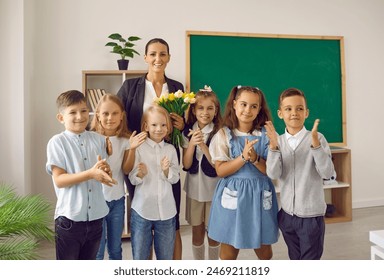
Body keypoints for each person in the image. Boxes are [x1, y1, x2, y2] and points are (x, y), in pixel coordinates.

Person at [117, 38, 184, 259]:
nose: (158, 58)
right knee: (143, 212)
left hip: (167, 156)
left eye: (163, 54)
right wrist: (133, 141)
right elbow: (119, 120)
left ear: (169, 58)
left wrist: (182, 125)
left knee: (170, 219)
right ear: (145, 57)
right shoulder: (130, 86)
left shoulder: (177, 88)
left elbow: (183, 122)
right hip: (140, 157)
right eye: (153, 54)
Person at [207, 86, 279, 260]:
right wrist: (243, 157)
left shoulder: (268, 135)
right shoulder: (223, 135)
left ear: (259, 109)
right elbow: (221, 171)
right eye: (243, 104)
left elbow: (272, 171)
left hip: (259, 194)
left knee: (264, 251)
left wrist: (254, 158)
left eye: (254, 106)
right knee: (229, 251)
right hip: (233, 195)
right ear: (234, 104)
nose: (248, 110)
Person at [265, 87, 335, 260]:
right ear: (280, 113)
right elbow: (273, 173)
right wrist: (273, 149)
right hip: (287, 216)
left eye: (299, 108)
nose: (294, 113)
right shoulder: (278, 141)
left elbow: (327, 173)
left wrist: (316, 146)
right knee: (295, 259)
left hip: (311, 217)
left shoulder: (318, 138)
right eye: (288, 109)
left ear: (306, 113)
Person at [46, 90, 115, 260]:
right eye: (73, 112)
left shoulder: (99, 139)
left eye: (84, 110)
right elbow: (60, 180)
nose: (80, 116)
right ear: (61, 118)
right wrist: (91, 174)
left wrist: (105, 172)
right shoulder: (57, 142)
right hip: (70, 220)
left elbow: (101, 170)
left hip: (96, 219)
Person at [90, 94, 147, 260]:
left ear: (122, 115)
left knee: (115, 249)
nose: (110, 118)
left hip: (117, 201)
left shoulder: (125, 139)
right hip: (96, 201)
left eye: (115, 113)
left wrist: (132, 148)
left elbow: (126, 170)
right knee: (98, 251)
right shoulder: (90, 138)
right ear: (98, 115)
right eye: (105, 113)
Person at [128, 105, 180, 260]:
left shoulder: (170, 150)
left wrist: (166, 171)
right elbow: (132, 178)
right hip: (142, 210)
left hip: (167, 212)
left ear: (169, 127)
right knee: (140, 257)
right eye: (154, 125)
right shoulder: (139, 149)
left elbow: (175, 178)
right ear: (146, 126)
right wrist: (140, 174)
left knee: (165, 257)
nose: (159, 129)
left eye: (163, 125)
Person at [181, 86, 222, 260]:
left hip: (214, 190)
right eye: (200, 108)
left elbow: (218, 165)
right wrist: (192, 144)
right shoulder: (187, 131)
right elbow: (186, 163)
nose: (205, 112)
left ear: (216, 111)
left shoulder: (220, 132)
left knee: (214, 233)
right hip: (194, 190)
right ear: (193, 110)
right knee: (197, 232)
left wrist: (204, 147)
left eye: (210, 108)